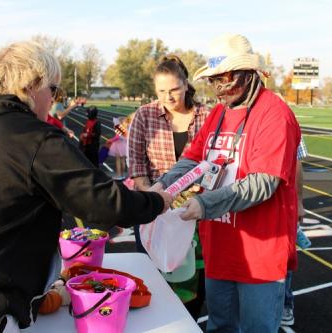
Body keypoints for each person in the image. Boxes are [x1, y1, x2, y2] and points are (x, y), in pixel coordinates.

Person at [0, 41, 172, 333]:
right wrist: (157, 201)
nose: (53, 100)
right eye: (54, 91)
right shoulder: (33, 137)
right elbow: (105, 204)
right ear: (33, 86)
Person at [151, 34, 301, 333]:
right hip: (218, 247)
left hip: (260, 255)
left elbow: (263, 184)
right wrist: (164, 186)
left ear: (249, 72)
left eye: (226, 77)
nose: (219, 87)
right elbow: (193, 158)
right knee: (219, 327)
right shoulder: (219, 112)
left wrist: (204, 204)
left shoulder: (275, 114)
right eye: (214, 79)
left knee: (256, 329)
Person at [128, 55, 209, 318]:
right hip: (154, 210)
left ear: (186, 84)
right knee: (153, 278)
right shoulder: (144, 115)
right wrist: (154, 199)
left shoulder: (207, 116)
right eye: (162, 91)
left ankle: (190, 322)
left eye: (174, 89)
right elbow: (137, 167)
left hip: (194, 212)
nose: (168, 97)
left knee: (193, 284)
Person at [282, 136, 308, 327]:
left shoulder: (287, 120)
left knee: (284, 254)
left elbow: (297, 164)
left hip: (283, 201)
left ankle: (285, 302)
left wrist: (298, 202)